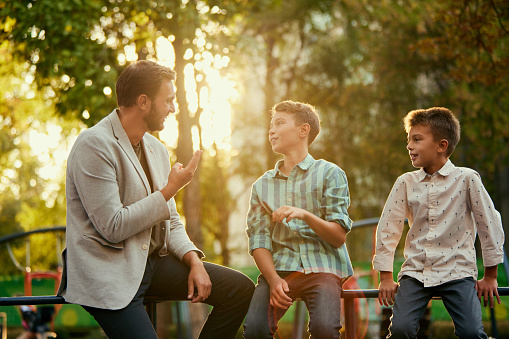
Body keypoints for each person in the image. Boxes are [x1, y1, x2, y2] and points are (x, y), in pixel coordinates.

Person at [57, 60, 254, 339]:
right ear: (144, 102)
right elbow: (112, 227)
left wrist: (194, 261)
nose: (173, 108)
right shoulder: (94, 145)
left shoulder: (156, 149)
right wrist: (169, 191)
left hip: (151, 264)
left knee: (239, 289)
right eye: (169, 101)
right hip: (109, 271)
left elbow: (170, 219)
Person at [373, 107, 505, 338]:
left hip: (458, 270)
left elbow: (490, 224)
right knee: (401, 329)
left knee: (472, 332)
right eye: (408, 140)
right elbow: (388, 228)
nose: (409, 146)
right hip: (416, 272)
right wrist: (385, 277)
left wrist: (491, 276)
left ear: (441, 146)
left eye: (417, 139)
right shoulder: (406, 182)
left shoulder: (467, 179)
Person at [243, 100, 353, 339]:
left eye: (280, 123)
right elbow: (258, 240)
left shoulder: (331, 174)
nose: (271, 130)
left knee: (325, 329)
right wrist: (272, 280)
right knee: (255, 330)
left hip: (323, 267)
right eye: (271, 125)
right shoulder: (262, 186)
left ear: (303, 130)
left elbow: (338, 237)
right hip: (280, 270)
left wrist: (304, 215)